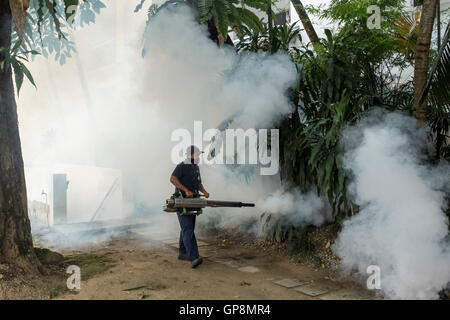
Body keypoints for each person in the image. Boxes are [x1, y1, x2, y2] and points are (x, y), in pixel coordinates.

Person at [169, 145, 210, 268]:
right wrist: (186, 190)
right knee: (188, 230)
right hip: (182, 202)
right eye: (196, 155)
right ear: (189, 155)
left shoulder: (196, 167)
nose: (198, 157)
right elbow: (172, 179)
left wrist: (205, 191)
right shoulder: (181, 166)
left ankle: (183, 253)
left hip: (193, 202)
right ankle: (194, 257)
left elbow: (198, 183)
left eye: (199, 155)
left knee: (187, 228)